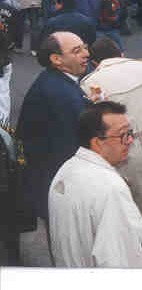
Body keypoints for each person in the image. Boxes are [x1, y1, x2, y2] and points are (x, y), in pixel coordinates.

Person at [78, 37, 142, 266]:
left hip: (115, 152)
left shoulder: (90, 82)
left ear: (95, 62)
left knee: (122, 215)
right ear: (121, 53)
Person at [16, 32, 92, 266]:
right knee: (72, 255)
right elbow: (69, 147)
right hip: (61, 186)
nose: (86, 54)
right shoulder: (59, 94)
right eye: (77, 51)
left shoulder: (56, 82)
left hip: (52, 181)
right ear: (56, 59)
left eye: (84, 47)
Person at [48, 101, 142, 267]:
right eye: (123, 135)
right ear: (97, 143)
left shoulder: (66, 170)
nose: (130, 140)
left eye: (130, 133)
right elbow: (119, 261)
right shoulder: (111, 189)